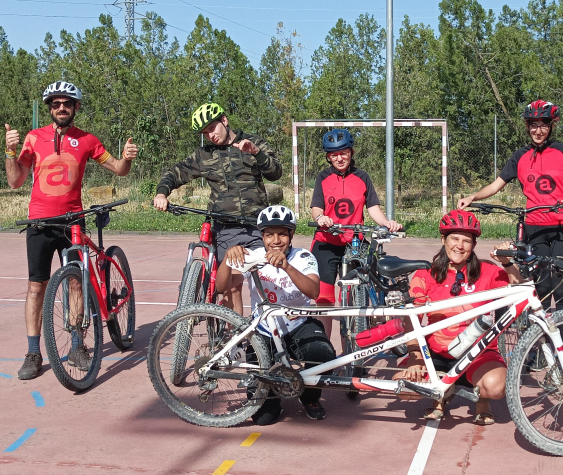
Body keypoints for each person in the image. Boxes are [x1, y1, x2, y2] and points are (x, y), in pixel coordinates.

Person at [5, 81, 138, 381]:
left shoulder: (88, 140)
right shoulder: (33, 138)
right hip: (38, 222)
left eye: (67, 103)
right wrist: (9, 151)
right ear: (50, 108)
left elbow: (118, 169)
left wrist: (127, 157)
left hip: (73, 221)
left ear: (76, 107)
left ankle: (78, 344)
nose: (61, 108)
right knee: (36, 287)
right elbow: (15, 181)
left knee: (77, 284)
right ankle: (33, 352)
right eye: (55, 104)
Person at [153, 103, 282, 315]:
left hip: (259, 226)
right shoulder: (204, 155)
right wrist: (161, 193)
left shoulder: (253, 142)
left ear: (224, 121)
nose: (210, 135)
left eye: (212, 128)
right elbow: (176, 172)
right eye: (205, 132)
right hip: (226, 229)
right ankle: (237, 340)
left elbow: (276, 173)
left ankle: (266, 336)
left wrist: (257, 153)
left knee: (268, 283)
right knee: (231, 287)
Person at [457, 100, 563, 314]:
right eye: (533, 125)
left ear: (551, 126)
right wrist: (472, 197)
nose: (538, 130)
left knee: (560, 282)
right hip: (535, 228)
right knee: (542, 285)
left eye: (543, 125)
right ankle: (538, 342)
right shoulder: (520, 155)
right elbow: (496, 184)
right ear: (527, 127)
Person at [393, 210, 519, 425]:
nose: (459, 245)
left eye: (466, 241)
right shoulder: (425, 274)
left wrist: (507, 263)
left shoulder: (488, 271)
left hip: (479, 352)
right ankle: (443, 390)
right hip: (436, 352)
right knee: (403, 389)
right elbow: (411, 320)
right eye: (454, 238)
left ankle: (482, 400)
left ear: (474, 245)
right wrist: (415, 356)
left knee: (497, 387)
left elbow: (520, 290)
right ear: (443, 239)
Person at [215, 205, 334, 423]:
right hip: (263, 331)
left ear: (291, 235)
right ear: (262, 236)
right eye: (269, 235)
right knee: (264, 418)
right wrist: (226, 260)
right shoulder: (254, 256)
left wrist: (287, 267)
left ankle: (309, 397)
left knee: (323, 355)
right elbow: (222, 288)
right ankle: (271, 397)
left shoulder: (303, 257)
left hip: (298, 324)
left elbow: (314, 291)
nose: (276, 240)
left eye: (282, 234)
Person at [309, 128, 401, 340]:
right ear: (328, 157)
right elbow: (316, 207)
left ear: (351, 152)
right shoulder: (322, 178)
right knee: (324, 298)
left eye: (344, 152)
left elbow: (372, 208)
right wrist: (320, 218)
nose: (339, 158)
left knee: (357, 297)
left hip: (355, 243)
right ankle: (325, 350)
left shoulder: (362, 177)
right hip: (326, 243)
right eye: (334, 154)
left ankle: (352, 348)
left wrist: (387, 223)